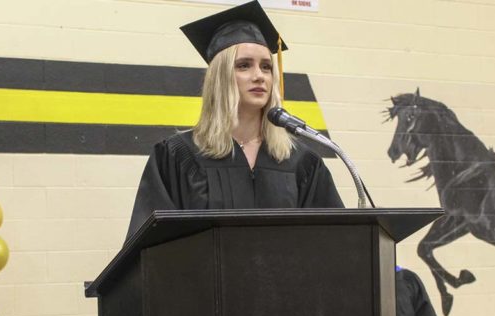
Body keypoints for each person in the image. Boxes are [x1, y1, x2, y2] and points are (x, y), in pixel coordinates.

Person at [126, 0, 344, 238]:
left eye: (266, 67)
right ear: (220, 77)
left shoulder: (301, 162)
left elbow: (335, 240)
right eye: (244, 66)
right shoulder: (177, 157)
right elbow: (152, 245)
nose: (259, 76)